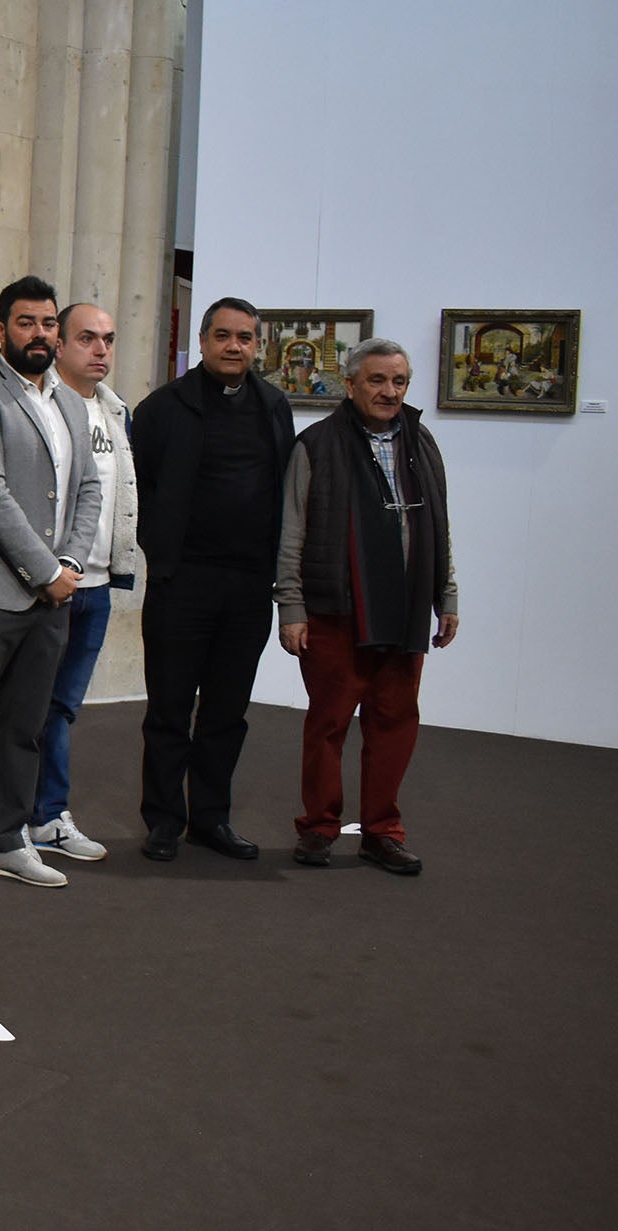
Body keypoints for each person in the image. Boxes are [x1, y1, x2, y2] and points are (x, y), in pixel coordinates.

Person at [277, 338, 458, 875]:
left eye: (399, 381)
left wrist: (446, 596)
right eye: (377, 380)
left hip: (403, 612)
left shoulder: (422, 443)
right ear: (350, 385)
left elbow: (441, 527)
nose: (389, 391)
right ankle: (318, 828)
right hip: (336, 611)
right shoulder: (315, 445)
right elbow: (293, 532)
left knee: (395, 722)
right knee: (329, 723)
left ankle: (382, 832)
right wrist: (292, 607)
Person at [130, 297, 295, 862]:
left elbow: (279, 489)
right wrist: (161, 552)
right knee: (170, 707)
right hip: (183, 582)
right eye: (222, 335)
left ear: (258, 346)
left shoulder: (274, 406)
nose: (233, 346)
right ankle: (162, 820)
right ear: (201, 342)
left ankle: (211, 818)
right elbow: (140, 490)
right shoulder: (163, 408)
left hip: (248, 585)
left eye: (244, 337)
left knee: (227, 711)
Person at [0, 276, 100, 890]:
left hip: (53, 597)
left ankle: (7, 839)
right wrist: (44, 572)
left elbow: (89, 487)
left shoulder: (67, 399)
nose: (38, 334)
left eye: (46, 325)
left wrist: (68, 566)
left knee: (26, 724)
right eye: (25, 323)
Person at [30, 302, 139, 862]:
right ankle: (29, 815)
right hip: (50, 583)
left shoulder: (117, 411)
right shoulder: (46, 407)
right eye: (87, 339)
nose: (101, 350)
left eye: (109, 340)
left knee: (64, 706)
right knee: (33, 706)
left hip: (97, 584)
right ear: (60, 345)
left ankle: (45, 815)